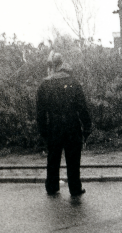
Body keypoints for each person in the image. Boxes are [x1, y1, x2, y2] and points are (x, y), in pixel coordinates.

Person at [36, 52, 92, 196]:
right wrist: (87, 128)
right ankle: (75, 188)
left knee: (53, 158)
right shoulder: (74, 82)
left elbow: (40, 113)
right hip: (72, 125)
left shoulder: (44, 84)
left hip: (54, 126)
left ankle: (52, 186)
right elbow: (83, 108)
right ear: (62, 64)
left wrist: (43, 132)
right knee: (73, 159)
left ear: (52, 66)